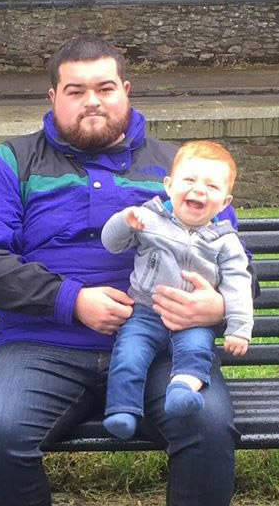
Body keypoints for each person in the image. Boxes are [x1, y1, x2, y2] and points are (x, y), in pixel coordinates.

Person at [0, 36, 240, 506]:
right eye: (75, 90)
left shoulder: (181, 167)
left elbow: (231, 259)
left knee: (205, 421)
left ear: (126, 92)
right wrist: (70, 301)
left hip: (162, 342)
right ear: (53, 96)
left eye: (104, 88)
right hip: (42, 344)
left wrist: (216, 309)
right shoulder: (11, 164)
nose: (92, 102)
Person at [100, 140, 254, 441]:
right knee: (129, 354)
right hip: (145, 311)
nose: (199, 190)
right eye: (190, 181)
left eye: (212, 186)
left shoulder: (224, 240)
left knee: (196, 352)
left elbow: (238, 281)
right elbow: (111, 243)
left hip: (195, 319)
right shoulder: (148, 218)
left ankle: (182, 390)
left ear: (225, 202)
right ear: (169, 186)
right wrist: (124, 222)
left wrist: (238, 326)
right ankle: (122, 410)